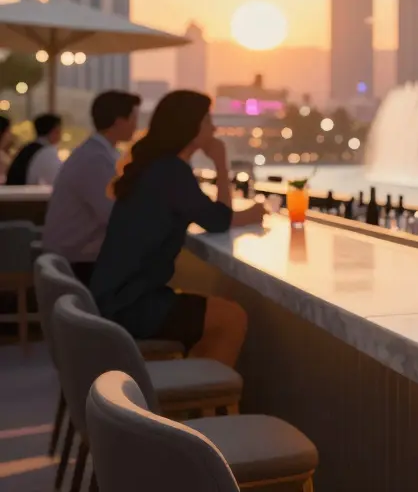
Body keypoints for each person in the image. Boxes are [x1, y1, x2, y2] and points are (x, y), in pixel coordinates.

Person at [91, 91, 265, 367]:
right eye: (208, 120)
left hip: (113, 297)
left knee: (216, 316)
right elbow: (219, 219)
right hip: (129, 306)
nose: (214, 128)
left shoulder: (156, 167)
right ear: (190, 126)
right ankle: (206, 390)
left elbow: (211, 215)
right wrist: (221, 162)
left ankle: (196, 387)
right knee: (232, 317)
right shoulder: (171, 171)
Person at [42, 91, 141, 286]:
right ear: (119, 121)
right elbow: (114, 216)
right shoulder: (96, 159)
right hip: (78, 264)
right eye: (133, 119)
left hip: (76, 258)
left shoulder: (98, 153)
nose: (136, 126)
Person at [5, 113, 63, 185]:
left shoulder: (28, 149)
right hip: (26, 192)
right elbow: (58, 180)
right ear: (54, 131)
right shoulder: (47, 152)